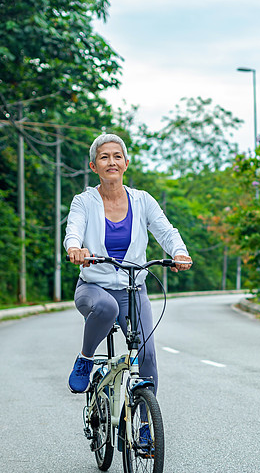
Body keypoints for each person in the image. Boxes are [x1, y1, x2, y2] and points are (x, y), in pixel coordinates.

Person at [64, 133, 192, 394]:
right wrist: (75, 249)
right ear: (94, 166)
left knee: (146, 356)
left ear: (126, 163)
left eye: (117, 156)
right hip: (93, 288)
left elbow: (166, 231)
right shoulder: (84, 201)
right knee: (106, 307)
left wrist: (179, 252)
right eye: (104, 157)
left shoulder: (142, 200)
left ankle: (146, 426)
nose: (111, 162)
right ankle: (86, 359)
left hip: (133, 290)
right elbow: (73, 230)